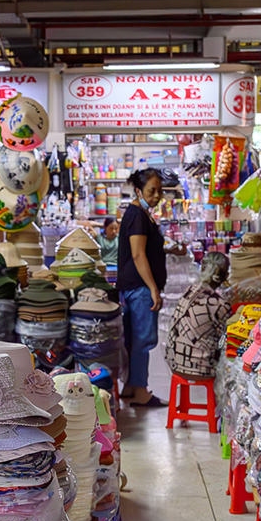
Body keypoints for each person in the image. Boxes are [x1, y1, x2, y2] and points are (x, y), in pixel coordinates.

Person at [118, 168, 167, 407]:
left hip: (135, 287)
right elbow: (138, 255)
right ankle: (140, 391)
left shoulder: (139, 213)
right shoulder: (138, 215)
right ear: (138, 190)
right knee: (142, 341)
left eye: (160, 190)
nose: (157, 195)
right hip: (140, 288)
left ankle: (129, 387)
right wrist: (153, 289)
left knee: (133, 340)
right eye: (152, 190)